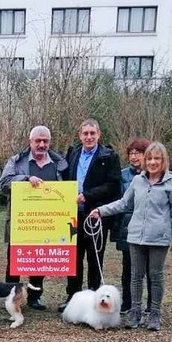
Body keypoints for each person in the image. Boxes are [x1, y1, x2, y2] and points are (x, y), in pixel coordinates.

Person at [89, 142, 172, 331]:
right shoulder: (138, 181)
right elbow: (123, 203)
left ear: (163, 161)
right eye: (150, 158)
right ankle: (135, 312)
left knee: (156, 276)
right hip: (136, 236)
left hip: (159, 238)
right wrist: (100, 211)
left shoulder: (171, 183)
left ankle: (154, 314)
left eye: (157, 159)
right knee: (136, 276)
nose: (153, 162)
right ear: (145, 161)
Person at [0, 126, 68, 310]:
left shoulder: (59, 163)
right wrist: (25, 179)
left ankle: (34, 297)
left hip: (47, 222)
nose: (42, 144)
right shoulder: (17, 161)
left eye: (45, 141)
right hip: (21, 222)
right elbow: (3, 184)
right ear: (30, 142)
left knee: (40, 261)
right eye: (38, 140)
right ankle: (12, 297)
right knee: (15, 262)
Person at [58, 119, 121, 312]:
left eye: (92, 133)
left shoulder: (109, 156)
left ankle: (95, 298)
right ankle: (73, 297)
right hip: (73, 215)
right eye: (85, 133)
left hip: (96, 215)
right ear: (80, 135)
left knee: (94, 258)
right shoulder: (73, 153)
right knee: (74, 258)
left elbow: (113, 185)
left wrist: (88, 196)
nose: (89, 137)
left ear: (98, 134)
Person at [115, 138, 152, 316]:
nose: (134, 156)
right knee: (128, 268)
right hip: (127, 226)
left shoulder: (158, 175)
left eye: (138, 152)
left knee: (152, 270)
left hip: (152, 227)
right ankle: (127, 302)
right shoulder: (121, 175)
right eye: (131, 153)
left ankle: (152, 304)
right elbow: (119, 202)